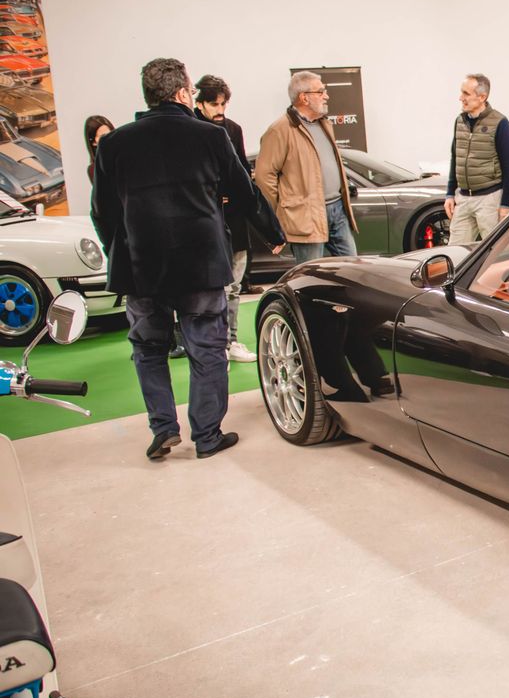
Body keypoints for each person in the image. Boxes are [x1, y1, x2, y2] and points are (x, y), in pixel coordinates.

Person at [90, 58, 257, 460]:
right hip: (201, 264)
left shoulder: (114, 144)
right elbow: (245, 194)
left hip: (141, 266)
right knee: (207, 348)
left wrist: (121, 247)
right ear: (183, 93)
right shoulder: (211, 136)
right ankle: (207, 435)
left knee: (148, 349)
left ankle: (163, 428)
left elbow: (102, 212)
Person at [194, 74, 284, 363]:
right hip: (205, 222)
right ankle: (215, 345)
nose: (220, 110)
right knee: (213, 290)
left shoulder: (233, 129)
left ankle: (231, 341)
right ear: (199, 102)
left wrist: (267, 228)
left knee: (233, 287)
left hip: (234, 220)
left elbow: (243, 176)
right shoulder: (192, 129)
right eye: (214, 104)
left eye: (224, 104)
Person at [256, 71, 358, 262]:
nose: (326, 96)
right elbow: (264, 175)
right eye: (320, 91)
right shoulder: (280, 130)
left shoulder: (324, 124)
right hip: (305, 217)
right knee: (311, 272)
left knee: (352, 268)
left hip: (337, 209)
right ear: (304, 98)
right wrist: (284, 211)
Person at [445, 73, 509, 242]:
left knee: (494, 250)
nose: (461, 98)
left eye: (466, 93)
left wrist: (505, 204)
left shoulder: (501, 124)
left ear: (482, 97)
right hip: (463, 199)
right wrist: (450, 194)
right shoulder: (459, 121)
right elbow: (455, 158)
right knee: (455, 250)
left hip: (489, 200)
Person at [83, 115, 113, 183]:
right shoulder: (94, 170)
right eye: (103, 136)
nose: (110, 138)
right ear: (93, 142)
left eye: (111, 133)